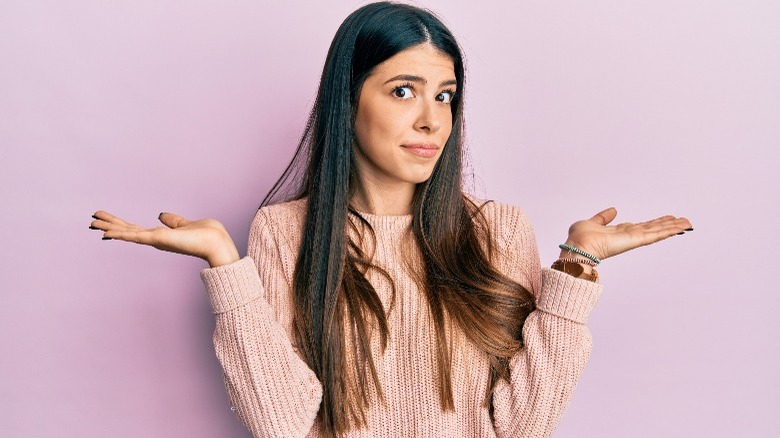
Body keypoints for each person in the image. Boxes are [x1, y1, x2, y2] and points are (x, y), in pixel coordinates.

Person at [89, 2, 692, 437]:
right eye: (404, 90)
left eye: (446, 94)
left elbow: (524, 426)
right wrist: (228, 266)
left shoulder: (499, 230)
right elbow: (282, 424)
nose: (432, 119)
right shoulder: (284, 233)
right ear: (348, 101)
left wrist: (574, 267)